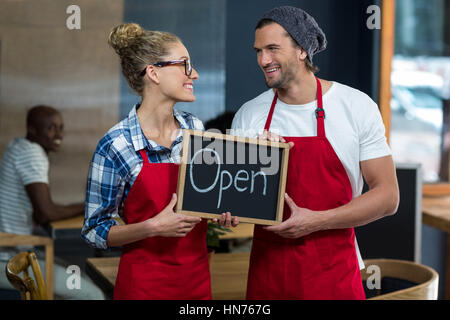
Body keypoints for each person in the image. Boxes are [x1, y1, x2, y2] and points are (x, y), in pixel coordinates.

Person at [231, 6, 399, 300]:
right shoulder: (250, 114)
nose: (263, 60)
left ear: (302, 50)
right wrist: (228, 210)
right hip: (268, 274)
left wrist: (315, 220)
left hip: (334, 274)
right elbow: (234, 198)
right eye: (258, 51)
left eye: (272, 49)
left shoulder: (356, 107)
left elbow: (388, 197)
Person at [82, 23, 236, 300]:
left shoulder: (196, 129)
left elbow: (208, 198)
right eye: (185, 65)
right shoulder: (116, 144)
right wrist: (152, 227)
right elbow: (94, 230)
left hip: (197, 284)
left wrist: (224, 209)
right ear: (153, 72)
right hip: (143, 287)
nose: (195, 74)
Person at [0, 105, 105, 299]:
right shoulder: (31, 153)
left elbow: (42, 212)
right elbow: (46, 213)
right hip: (8, 260)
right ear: (32, 129)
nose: (59, 134)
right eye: (51, 128)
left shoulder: (18, 146)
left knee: (75, 271)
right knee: (93, 294)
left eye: (60, 128)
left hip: (16, 250)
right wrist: (90, 206)